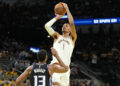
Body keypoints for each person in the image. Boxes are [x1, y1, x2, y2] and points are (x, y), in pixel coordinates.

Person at [44, 2, 77, 86]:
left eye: (67, 25)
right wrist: (57, 17)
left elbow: (72, 23)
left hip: (66, 68)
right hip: (56, 66)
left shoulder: (72, 38)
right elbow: (47, 26)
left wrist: (67, 10)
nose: (64, 26)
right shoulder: (57, 36)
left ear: (70, 30)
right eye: (63, 25)